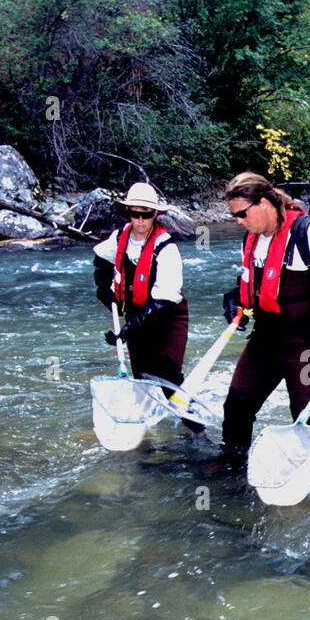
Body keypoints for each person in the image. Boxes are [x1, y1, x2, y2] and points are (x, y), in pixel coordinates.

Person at [218, 172, 310, 465]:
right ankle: (232, 469)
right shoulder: (252, 239)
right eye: (235, 215)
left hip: (306, 342)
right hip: (265, 339)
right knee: (236, 406)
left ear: (266, 204)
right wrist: (234, 299)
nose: (238, 221)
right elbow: (246, 284)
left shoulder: (309, 235)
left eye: (242, 214)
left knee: (307, 417)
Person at [91, 182, 200, 435]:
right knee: (142, 376)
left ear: (156, 214)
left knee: (167, 375)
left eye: (146, 214)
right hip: (136, 314)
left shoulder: (166, 247)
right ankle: (146, 434)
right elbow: (101, 260)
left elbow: (163, 299)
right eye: (135, 213)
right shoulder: (120, 238)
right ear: (128, 212)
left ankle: (197, 431)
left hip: (168, 315)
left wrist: (129, 329)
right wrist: (103, 289)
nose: (140, 220)